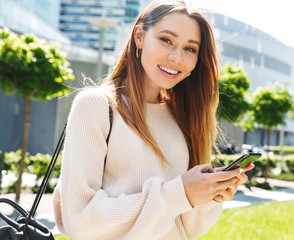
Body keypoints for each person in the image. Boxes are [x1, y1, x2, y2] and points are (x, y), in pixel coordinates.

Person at [53, 0, 254, 239]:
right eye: (166, 40)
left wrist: (208, 194)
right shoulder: (95, 105)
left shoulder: (184, 117)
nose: (176, 57)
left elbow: (187, 229)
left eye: (190, 49)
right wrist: (180, 193)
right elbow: (80, 221)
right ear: (139, 36)